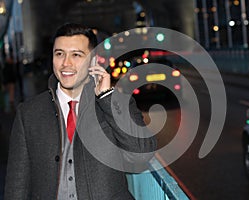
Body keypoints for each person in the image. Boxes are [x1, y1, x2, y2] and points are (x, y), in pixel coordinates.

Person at [4, 23, 156, 199]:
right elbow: (16, 185)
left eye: (76, 55)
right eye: (59, 54)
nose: (66, 63)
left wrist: (107, 98)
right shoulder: (29, 113)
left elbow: (142, 155)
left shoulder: (115, 103)